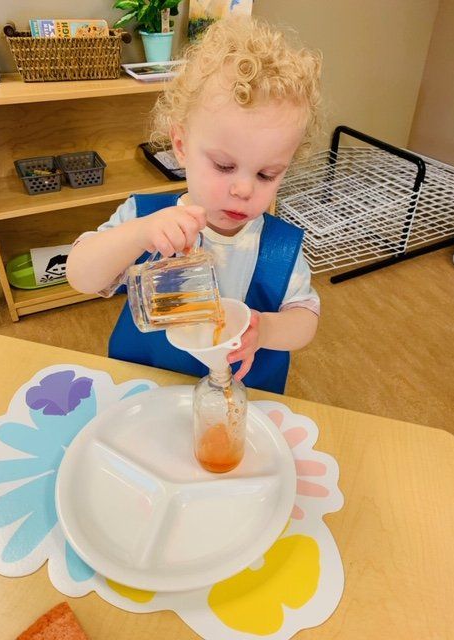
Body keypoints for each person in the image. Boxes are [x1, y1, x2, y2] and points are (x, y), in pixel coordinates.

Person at [67, 16, 322, 394]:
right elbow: (81, 276)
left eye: (267, 174)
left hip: (236, 397)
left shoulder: (281, 247)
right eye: (224, 165)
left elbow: (304, 320)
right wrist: (137, 235)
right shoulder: (142, 218)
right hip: (148, 386)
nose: (243, 189)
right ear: (182, 146)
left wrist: (265, 329)